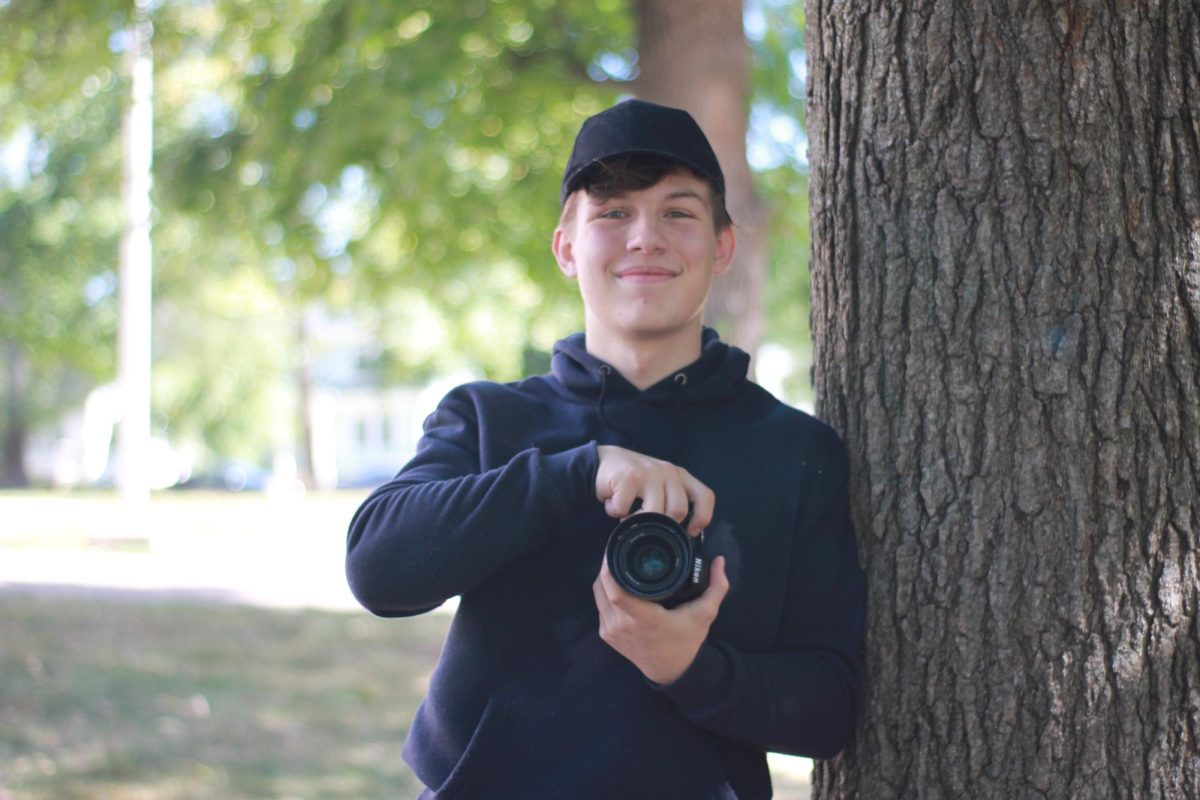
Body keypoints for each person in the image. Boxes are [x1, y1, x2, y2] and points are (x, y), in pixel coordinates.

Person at [346, 99, 866, 799]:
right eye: (612, 212)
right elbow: (379, 570)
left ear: (722, 247)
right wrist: (578, 471)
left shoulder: (795, 451)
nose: (644, 237)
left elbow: (830, 706)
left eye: (678, 213)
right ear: (566, 247)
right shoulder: (488, 418)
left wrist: (690, 668)